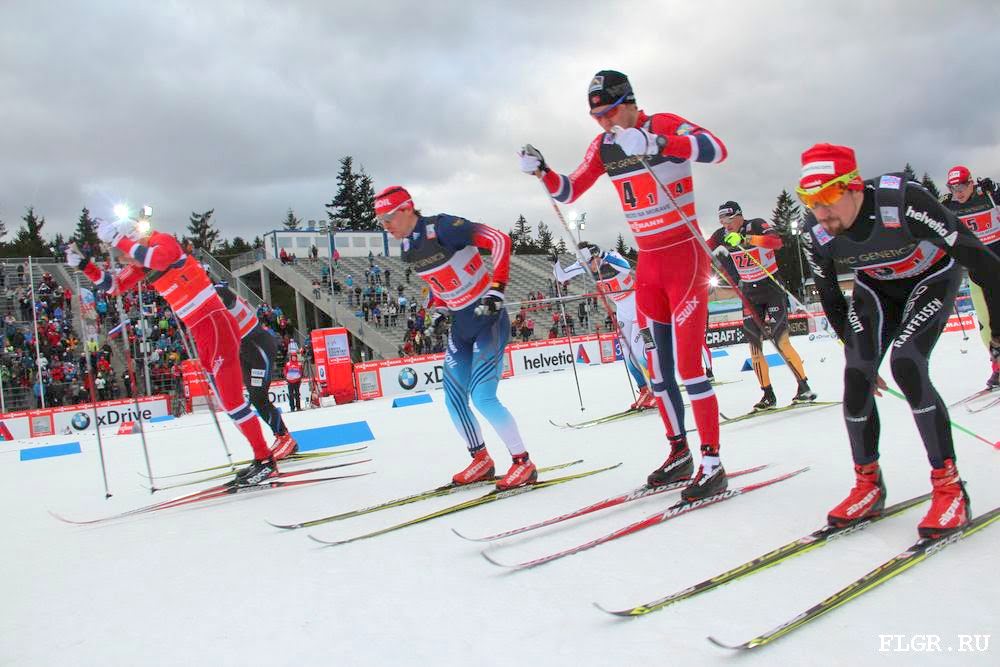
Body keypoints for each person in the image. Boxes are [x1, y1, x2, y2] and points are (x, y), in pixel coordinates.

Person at [520, 69, 727, 501]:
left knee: (689, 367)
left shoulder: (664, 124)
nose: (604, 123)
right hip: (649, 263)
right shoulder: (605, 145)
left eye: (611, 112)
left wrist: (658, 144)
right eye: (596, 116)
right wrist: (543, 171)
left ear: (630, 102)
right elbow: (570, 190)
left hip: (684, 256)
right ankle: (679, 453)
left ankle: (713, 462)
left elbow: (716, 149)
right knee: (658, 371)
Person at [797, 143, 1000, 538]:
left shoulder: (903, 201)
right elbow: (830, 297)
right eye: (810, 200)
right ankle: (868, 485)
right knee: (856, 374)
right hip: (877, 288)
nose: (821, 212)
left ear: (853, 186)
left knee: (906, 362)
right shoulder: (816, 231)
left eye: (827, 198)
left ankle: (949, 487)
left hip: (931, 278)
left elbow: (979, 259)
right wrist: (857, 356)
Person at [67, 212, 277, 486]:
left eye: (122, 248)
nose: (122, 257)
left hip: (213, 321)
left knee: (233, 399)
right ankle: (261, 457)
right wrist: (84, 265)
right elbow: (113, 286)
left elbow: (159, 259)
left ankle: (265, 458)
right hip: (201, 328)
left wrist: (119, 239)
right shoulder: (142, 263)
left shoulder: (162, 241)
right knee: (228, 401)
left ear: (134, 238)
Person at [374, 185, 534, 490]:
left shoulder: (443, 227)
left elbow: (500, 239)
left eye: (389, 217)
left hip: (487, 319)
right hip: (460, 325)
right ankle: (481, 460)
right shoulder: (408, 248)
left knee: (483, 397)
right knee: (453, 397)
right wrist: (439, 308)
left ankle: (523, 463)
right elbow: (439, 282)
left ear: (408, 209)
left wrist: (497, 288)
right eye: (381, 220)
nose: (386, 226)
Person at [708, 200, 816, 410]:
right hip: (749, 292)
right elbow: (705, 247)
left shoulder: (755, 225)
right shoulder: (721, 234)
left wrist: (746, 239)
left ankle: (803, 387)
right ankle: (768, 394)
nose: (725, 224)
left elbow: (776, 242)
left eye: (729, 219)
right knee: (755, 347)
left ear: (739, 216)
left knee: (781, 341)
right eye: (722, 220)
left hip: (771, 287)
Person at [551, 241, 655, 410]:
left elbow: (626, 267)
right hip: (622, 310)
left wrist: (604, 255)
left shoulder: (611, 257)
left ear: (596, 256)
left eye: (590, 262)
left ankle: (658, 389)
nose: (589, 268)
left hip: (639, 307)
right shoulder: (584, 264)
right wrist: (555, 264)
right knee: (628, 356)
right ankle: (644, 390)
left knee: (640, 352)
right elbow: (562, 277)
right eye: (584, 264)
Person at [215, 282, 297, 458]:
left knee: (259, 397)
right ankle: (280, 435)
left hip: (259, 348)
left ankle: (285, 437)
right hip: (245, 352)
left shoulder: (218, 292)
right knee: (255, 398)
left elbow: (225, 295)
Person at [940, 165, 1000, 389]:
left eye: (962, 187)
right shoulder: (949, 205)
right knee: (986, 324)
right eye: (953, 188)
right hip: (978, 272)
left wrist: (995, 190)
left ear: (971, 183)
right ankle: (998, 367)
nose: (958, 193)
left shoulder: (989, 196)